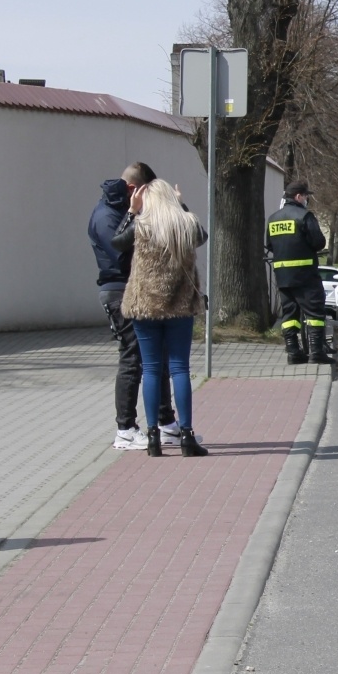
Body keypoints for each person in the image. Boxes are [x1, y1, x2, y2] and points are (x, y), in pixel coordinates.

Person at [89, 161, 183, 450]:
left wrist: (173, 209)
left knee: (157, 357)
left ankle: (166, 423)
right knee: (133, 358)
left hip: (140, 289)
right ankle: (126, 429)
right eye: (148, 192)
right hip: (120, 291)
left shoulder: (120, 209)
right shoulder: (107, 214)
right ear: (133, 190)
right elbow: (120, 254)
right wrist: (133, 214)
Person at [112, 179, 209, 458]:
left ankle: (153, 435)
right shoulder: (186, 225)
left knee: (151, 370)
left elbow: (117, 243)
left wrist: (132, 210)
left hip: (146, 306)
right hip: (180, 306)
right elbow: (202, 236)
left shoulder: (140, 225)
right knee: (180, 369)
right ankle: (186, 435)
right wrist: (181, 204)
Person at [265, 180, 331, 366]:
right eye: (306, 196)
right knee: (315, 312)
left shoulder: (273, 218)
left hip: (282, 276)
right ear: (298, 196)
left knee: (289, 314)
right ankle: (317, 352)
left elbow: (269, 245)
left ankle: (293, 352)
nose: (307, 199)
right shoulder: (304, 216)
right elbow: (318, 242)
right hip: (306, 275)